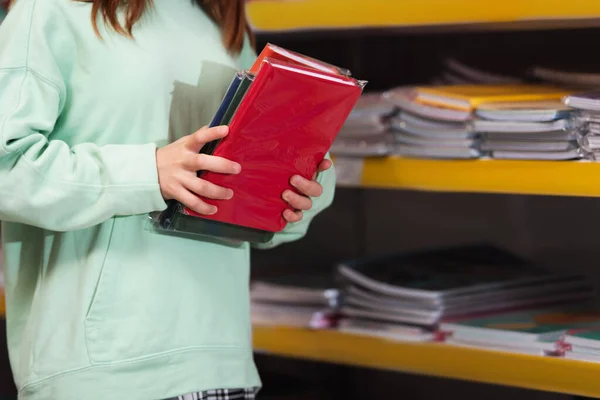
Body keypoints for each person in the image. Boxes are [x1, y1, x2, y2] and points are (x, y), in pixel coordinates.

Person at [0, 0, 335, 398]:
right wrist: (148, 172)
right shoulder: (50, 10)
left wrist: (290, 197)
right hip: (101, 371)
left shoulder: (222, 24)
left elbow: (236, 183)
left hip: (220, 358)